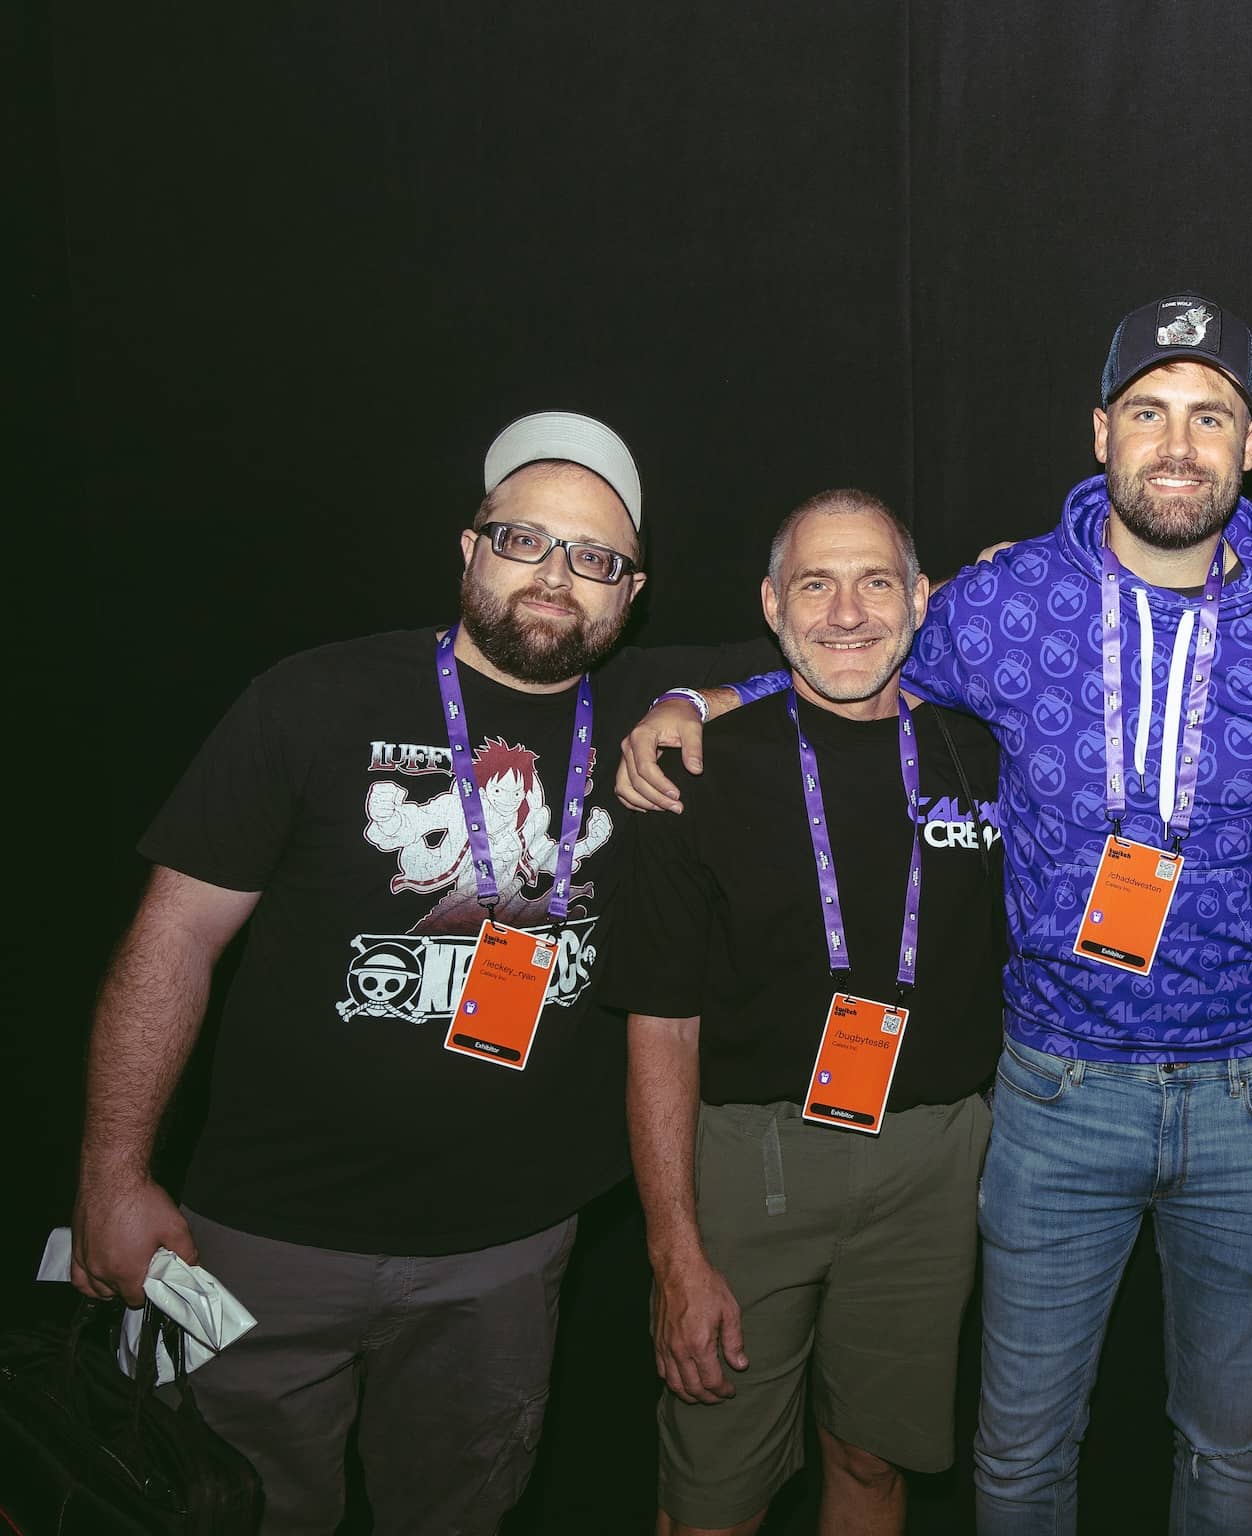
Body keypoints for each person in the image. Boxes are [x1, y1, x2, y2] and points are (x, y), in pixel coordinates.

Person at [618, 294, 1252, 1534]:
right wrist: (707, 699)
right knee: (1021, 1454)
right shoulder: (1007, 601)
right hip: (1055, 1094)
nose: (1177, 444)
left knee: (1230, 1449)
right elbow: (859, 660)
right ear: (1101, 433)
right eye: (1148, 412)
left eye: (1210, 415)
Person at [68, 412, 763, 1534]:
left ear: (631, 593)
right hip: (262, 1242)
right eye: (524, 540)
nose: (555, 577)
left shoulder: (644, 704)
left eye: (594, 559)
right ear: (468, 548)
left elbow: (848, 647)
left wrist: (703, 700)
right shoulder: (314, 698)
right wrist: (111, 1171)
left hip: (506, 1255)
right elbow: (172, 940)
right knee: (223, 1513)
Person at [598, 489, 1004, 1536]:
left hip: (934, 1158)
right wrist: (674, 1251)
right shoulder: (696, 766)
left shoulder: (984, 751)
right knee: (715, 1487)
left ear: (922, 599)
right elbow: (659, 1024)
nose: (847, 611)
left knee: (873, 1457)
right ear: (773, 606)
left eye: (876, 581)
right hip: (749, 1162)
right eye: (815, 584)